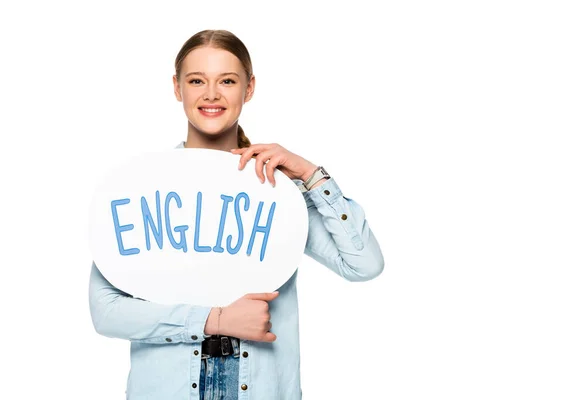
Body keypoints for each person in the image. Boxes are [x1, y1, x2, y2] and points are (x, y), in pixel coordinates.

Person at [88, 29, 384, 400]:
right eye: (197, 80)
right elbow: (107, 311)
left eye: (227, 80)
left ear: (249, 88)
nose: (211, 94)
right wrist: (214, 320)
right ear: (178, 88)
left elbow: (364, 264)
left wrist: (310, 175)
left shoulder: (277, 193)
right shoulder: (143, 186)